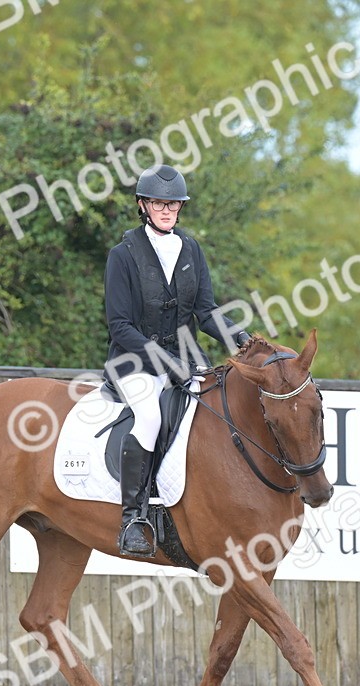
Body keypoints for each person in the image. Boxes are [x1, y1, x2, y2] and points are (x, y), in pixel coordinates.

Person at [103, 164, 251, 557]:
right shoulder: (123, 255)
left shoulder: (190, 249)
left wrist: (241, 338)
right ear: (143, 205)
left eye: (172, 204)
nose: (166, 210)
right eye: (158, 203)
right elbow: (119, 325)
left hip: (187, 358)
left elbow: (205, 311)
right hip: (132, 362)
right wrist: (163, 361)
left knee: (215, 414)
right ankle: (133, 519)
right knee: (150, 417)